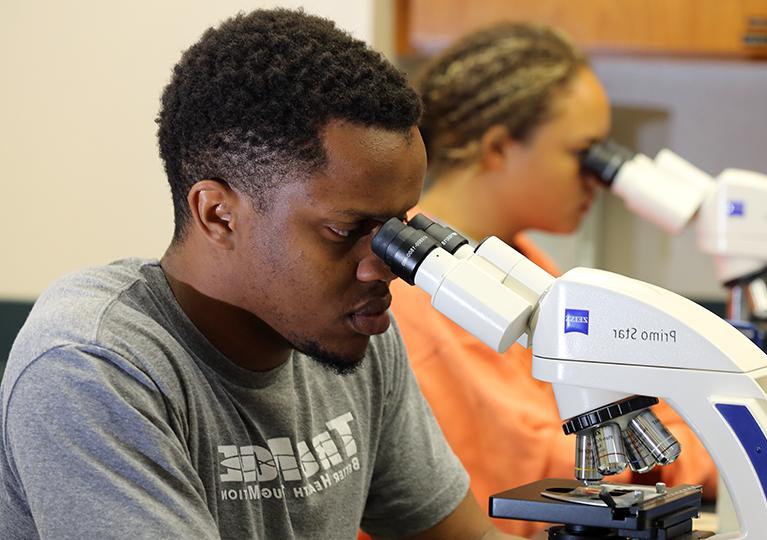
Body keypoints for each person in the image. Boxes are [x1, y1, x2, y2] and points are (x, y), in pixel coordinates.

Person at [0, 9, 523, 540]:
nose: (385, 265)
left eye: (399, 226)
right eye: (347, 230)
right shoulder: (91, 366)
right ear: (218, 214)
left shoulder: (353, 331)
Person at [389, 23, 718, 538]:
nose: (599, 179)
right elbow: (535, 469)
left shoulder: (525, 264)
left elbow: (632, 401)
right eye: (584, 153)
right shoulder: (413, 292)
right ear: (498, 148)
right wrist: (716, 454)